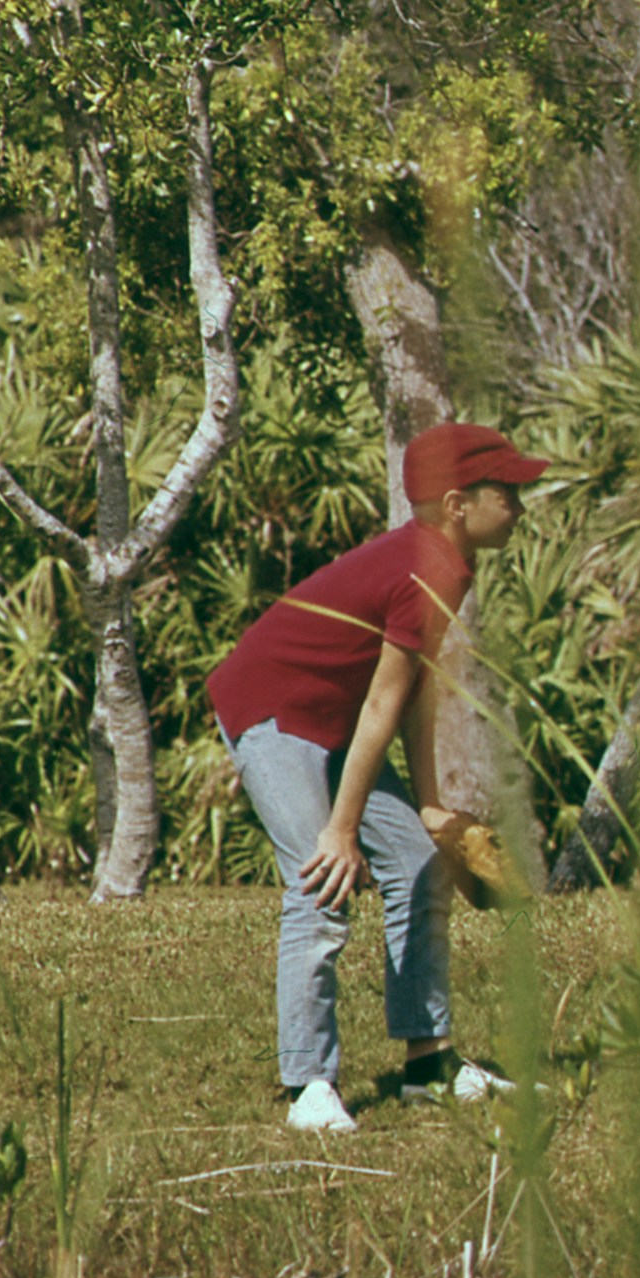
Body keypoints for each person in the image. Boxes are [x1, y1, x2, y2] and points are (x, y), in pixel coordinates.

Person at [210, 418, 560, 1132]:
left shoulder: (448, 563)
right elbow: (380, 703)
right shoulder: (428, 564)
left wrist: (429, 808)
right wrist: (341, 830)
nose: (521, 505)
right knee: (322, 875)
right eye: (510, 492)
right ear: (460, 505)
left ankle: (428, 1067)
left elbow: (412, 688)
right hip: (274, 711)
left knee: (417, 861)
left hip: (336, 721)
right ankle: (309, 1083)